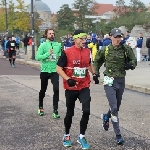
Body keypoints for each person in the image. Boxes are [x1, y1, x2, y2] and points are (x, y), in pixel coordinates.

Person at [56, 29, 99, 149]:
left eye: (85, 39)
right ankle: (67, 134)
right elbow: (58, 68)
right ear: (75, 39)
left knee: (86, 111)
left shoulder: (87, 51)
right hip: (71, 87)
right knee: (70, 113)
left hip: (84, 85)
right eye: (82, 39)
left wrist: (94, 74)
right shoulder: (67, 52)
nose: (84, 41)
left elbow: (89, 64)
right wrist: (67, 78)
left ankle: (81, 136)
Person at [94, 28, 137, 145]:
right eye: (116, 37)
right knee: (114, 107)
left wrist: (130, 65)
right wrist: (96, 73)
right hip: (109, 80)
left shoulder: (126, 49)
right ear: (111, 37)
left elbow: (134, 60)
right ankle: (118, 135)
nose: (118, 39)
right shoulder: (105, 49)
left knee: (116, 107)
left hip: (121, 81)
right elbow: (97, 61)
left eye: (120, 37)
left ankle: (106, 117)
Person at [35, 28, 62, 118]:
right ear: (46, 35)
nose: (52, 35)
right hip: (45, 70)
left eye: (53, 33)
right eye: (50, 33)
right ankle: (40, 106)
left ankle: (55, 110)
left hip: (54, 70)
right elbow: (37, 57)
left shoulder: (58, 45)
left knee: (56, 89)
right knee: (43, 90)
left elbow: (60, 56)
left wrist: (60, 59)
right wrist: (47, 54)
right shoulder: (43, 45)